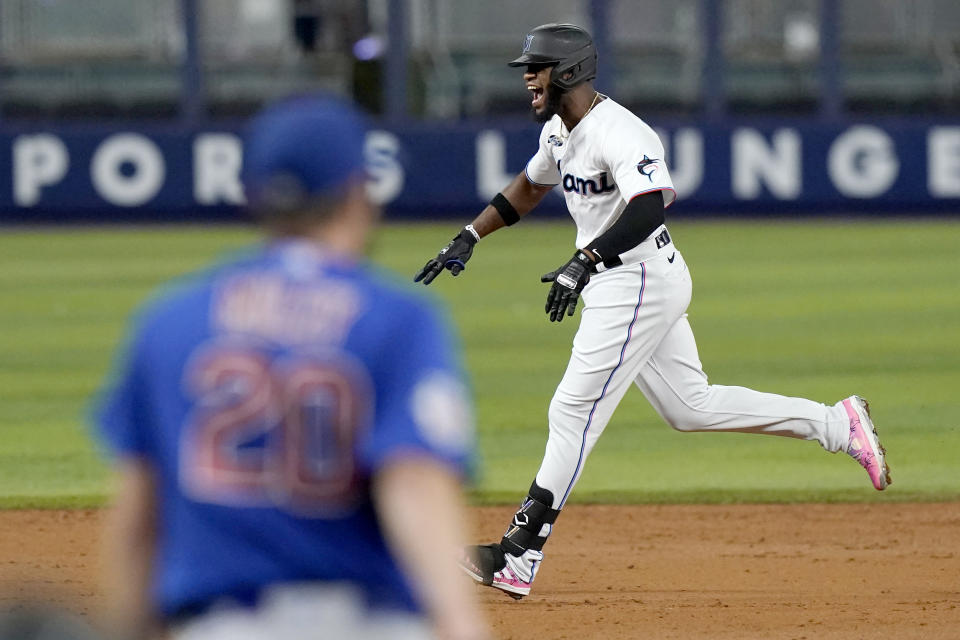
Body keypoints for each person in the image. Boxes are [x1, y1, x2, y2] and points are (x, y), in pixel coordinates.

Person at [414, 23, 891, 600]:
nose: (527, 80)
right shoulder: (560, 133)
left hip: (636, 280)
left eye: (535, 69)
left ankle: (518, 553)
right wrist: (471, 234)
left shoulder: (621, 131)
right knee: (691, 407)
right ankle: (838, 425)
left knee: (572, 410)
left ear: (568, 72)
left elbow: (650, 208)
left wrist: (584, 259)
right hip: (628, 281)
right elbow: (528, 188)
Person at [94, 94, 489, 640]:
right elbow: (415, 484)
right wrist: (460, 624)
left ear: (252, 195)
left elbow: (138, 522)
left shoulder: (167, 322)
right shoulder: (397, 317)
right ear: (357, 192)